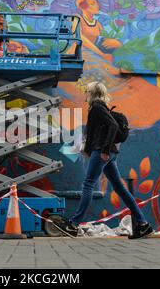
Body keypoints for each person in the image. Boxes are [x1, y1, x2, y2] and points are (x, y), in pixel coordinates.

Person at [56, 81, 154, 239]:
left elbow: (113, 126)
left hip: (102, 152)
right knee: (120, 189)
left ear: (92, 93)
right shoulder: (99, 107)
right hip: (107, 153)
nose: (85, 94)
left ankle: (73, 225)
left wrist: (104, 150)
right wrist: (91, 150)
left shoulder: (97, 107)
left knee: (88, 184)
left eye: (87, 91)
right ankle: (143, 225)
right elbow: (98, 131)